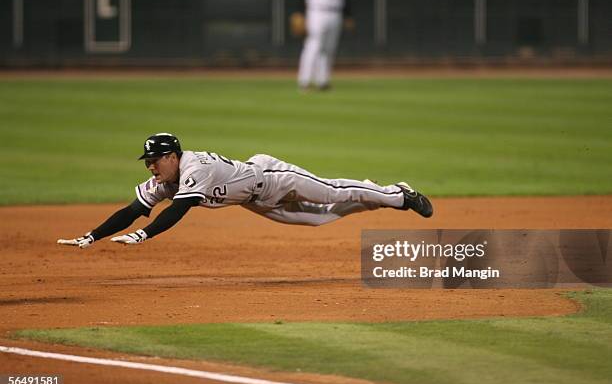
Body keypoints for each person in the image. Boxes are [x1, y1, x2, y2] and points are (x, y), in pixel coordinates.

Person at [58, 133, 432, 248]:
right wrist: (92, 236)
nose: (151, 167)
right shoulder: (165, 179)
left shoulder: (194, 169)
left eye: (155, 160)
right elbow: (133, 209)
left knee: (333, 192)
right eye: (147, 162)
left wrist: (143, 235)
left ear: (173, 156)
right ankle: (374, 202)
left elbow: (177, 211)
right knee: (319, 220)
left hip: (272, 177)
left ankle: (397, 194)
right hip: (257, 200)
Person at [294, 0, 354, 91]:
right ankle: (304, 81)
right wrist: (300, 13)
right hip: (317, 11)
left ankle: (323, 81)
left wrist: (348, 16)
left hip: (336, 12)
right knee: (314, 45)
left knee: (329, 48)